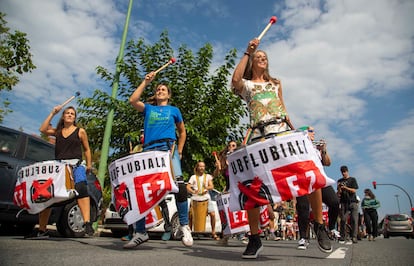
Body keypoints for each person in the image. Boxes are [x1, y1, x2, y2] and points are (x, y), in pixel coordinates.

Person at [231, 38, 332, 258]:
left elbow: (284, 110)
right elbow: (235, 79)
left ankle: (319, 225)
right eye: (258, 57)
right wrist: (247, 52)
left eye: (264, 57)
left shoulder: (276, 83)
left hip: (283, 131)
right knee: (252, 187)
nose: (262, 58)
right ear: (252, 62)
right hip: (260, 136)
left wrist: (298, 133)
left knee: (310, 172)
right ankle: (255, 238)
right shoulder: (247, 85)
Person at [125, 71, 193, 249]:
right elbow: (132, 100)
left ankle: (185, 226)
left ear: (168, 95)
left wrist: (179, 150)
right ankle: (140, 232)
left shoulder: (174, 110)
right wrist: (146, 82)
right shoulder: (149, 108)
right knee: (141, 189)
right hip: (149, 150)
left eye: (163, 89)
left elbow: (183, 132)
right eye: (158, 89)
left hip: (168, 149)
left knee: (180, 186)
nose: (160, 90)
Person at [25, 105, 94, 239]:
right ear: (63, 116)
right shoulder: (57, 131)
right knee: (46, 194)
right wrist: (52, 113)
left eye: (72, 114)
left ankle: (87, 223)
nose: (69, 115)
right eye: (67, 113)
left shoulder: (80, 131)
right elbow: (42, 129)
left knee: (81, 188)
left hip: (76, 165)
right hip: (59, 167)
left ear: (74, 118)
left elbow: (87, 149)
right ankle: (42, 230)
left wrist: (89, 165)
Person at [295, 126, 340, 250]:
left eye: (314, 131)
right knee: (303, 207)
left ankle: (330, 227)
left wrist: (324, 150)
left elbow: (327, 163)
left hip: (318, 178)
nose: (314, 133)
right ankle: (303, 237)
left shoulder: (316, 148)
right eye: (310, 131)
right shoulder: (297, 146)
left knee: (335, 202)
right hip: (303, 179)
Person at [187, 161, 218, 239]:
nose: (202, 168)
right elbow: (187, 187)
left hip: (206, 198)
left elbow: (212, 186)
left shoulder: (207, 176)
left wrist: (206, 187)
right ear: (197, 167)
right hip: (195, 198)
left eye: (203, 166)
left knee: (213, 214)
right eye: (200, 166)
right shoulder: (193, 177)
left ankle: (213, 232)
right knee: (190, 215)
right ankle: (189, 232)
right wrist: (193, 191)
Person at [337, 165, 359, 244]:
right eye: (342, 172)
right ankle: (342, 236)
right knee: (343, 220)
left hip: (352, 202)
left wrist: (346, 188)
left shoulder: (352, 179)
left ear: (347, 171)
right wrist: (339, 188)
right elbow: (338, 193)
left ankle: (354, 237)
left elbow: (354, 190)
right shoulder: (339, 180)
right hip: (344, 202)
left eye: (344, 172)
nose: (343, 174)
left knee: (354, 220)